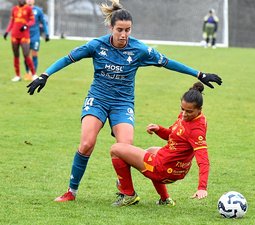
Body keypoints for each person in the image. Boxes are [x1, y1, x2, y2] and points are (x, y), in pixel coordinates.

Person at [26, 0, 222, 202]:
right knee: (86, 144)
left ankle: (127, 193)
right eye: (119, 29)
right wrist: (45, 75)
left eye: (128, 30)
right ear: (111, 27)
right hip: (98, 100)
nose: (123, 35)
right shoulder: (97, 46)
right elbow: (68, 58)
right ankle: (71, 192)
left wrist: (199, 74)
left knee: (125, 148)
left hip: (122, 104)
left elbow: (168, 62)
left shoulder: (139, 50)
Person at [110, 82, 209, 206]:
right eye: (182, 109)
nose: (184, 114)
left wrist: (202, 187)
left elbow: (203, 160)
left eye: (188, 111)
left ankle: (128, 194)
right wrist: (159, 129)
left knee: (116, 149)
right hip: (177, 168)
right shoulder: (193, 118)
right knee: (151, 150)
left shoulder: (196, 130)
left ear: (200, 109)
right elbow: (173, 136)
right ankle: (165, 199)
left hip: (163, 169)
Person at [3, 0, 37, 82]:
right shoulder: (14, 9)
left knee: (26, 54)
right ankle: (17, 75)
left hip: (24, 35)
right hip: (14, 35)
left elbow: (32, 21)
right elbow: (12, 21)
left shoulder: (28, 9)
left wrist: (26, 26)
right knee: (16, 55)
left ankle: (34, 74)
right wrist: (7, 31)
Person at [24, 0, 50, 81]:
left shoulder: (38, 10)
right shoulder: (23, 10)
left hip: (35, 36)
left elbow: (44, 22)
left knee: (34, 54)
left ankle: (33, 73)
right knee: (26, 55)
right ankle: (28, 72)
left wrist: (47, 33)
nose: (29, 1)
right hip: (25, 36)